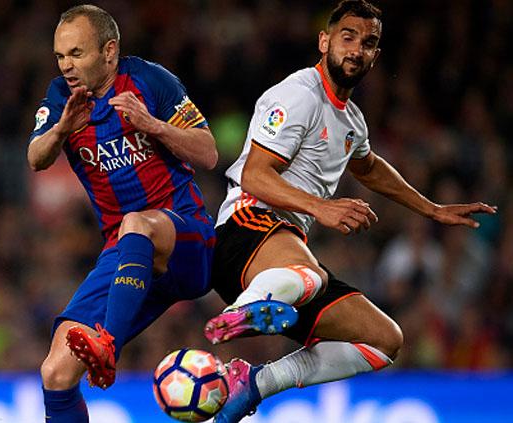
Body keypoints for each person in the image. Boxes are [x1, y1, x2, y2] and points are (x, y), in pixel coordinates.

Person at [202, 1, 497, 422]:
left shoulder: (352, 121)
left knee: (383, 340)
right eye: (348, 37)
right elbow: (254, 176)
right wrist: (321, 208)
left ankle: (255, 383)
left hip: (286, 260)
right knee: (311, 275)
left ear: (376, 55)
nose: (357, 49)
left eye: (369, 43)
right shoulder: (300, 94)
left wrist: (430, 209)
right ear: (324, 41)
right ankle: (243, 313)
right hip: (244, 229)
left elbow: (369, 165)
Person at [27, 5, 218, 422]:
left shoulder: (150, 80)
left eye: (76, 53)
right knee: (55, 373)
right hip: (126, 255)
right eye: (60, 56)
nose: (66, 66)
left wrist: (153, 125)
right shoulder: (62, 96)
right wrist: (61, 129)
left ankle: (107, 343)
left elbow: (208, 152)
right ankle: (105, 343)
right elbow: (36, 158)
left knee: (137, 223)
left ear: (109, 51)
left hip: (186, 240)